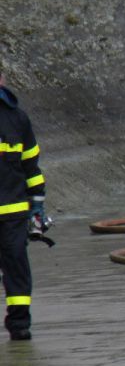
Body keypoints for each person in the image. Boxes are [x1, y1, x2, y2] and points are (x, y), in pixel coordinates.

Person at [0, 71, 46, 341]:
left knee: (16, 265)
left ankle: (19, 324)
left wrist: (37, 205)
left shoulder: (17, 118)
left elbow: (31, 166)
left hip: (14, 211)